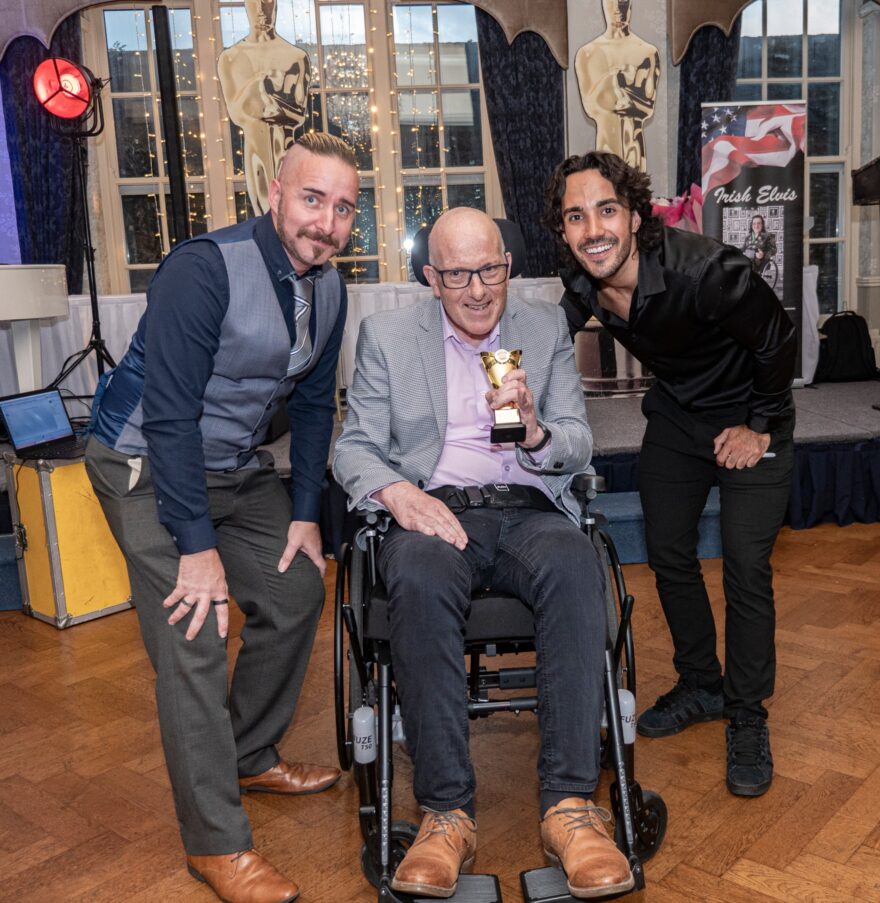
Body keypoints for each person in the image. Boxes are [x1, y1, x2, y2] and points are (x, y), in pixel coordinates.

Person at [85, 131, 358, 903]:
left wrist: (306, 514)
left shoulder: (331, 288)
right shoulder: (202, 270)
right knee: (195, 627)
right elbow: (169, 416)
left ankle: (247, 751)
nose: (326, 222)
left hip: (233, 469)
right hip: (142, 463)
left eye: (343, 208)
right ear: (275, 191)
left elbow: (311, 406)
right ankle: (216, 841)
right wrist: (196, 548)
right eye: (313, 199)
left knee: (299, 587)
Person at [333, 207, 633, 899]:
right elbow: (353, 447)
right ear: (431, 277)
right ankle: (445, 815)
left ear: (508, 265)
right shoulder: (386, 335)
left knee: (573, 562)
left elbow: (578, 441)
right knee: (414, 571)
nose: (477, 289)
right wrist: (398, 493)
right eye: (459, 273)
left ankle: (569, 807)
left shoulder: (543, 324)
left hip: (528, 510)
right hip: (436, 512)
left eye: (490, 269)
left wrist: (534, 432)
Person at [542, 151, 796, 798]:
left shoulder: (706, 270)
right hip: (679, 419)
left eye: (605, 210)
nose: (592, 228)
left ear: (633, 215)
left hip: (751, 414)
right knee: (669, 553)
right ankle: (701, 684)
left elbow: (776, 336)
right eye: (576, 216)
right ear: (564, 229)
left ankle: (746, 713)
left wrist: (760, 424)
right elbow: (540, 345)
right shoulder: (581, 284)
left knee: (744, 563)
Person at [218, 0, 311, 215]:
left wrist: (269, 103)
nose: (261, 9)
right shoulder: (230, 58)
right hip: (254, 148)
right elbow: (236, 113)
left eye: (267, 1)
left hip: (286, 147)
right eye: (254, 2)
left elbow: (299, 114)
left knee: (291, 210)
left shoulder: (296, 57)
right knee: (263, 213)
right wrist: (258, 87)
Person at [575, 0, 660, 171]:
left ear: (630, 5)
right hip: (605, 147)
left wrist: (617, 95)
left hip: (634, 147)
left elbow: (648, 108)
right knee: (606, 190)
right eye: (612, 2)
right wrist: (614, 79)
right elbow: (591, 107)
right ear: (603, 4)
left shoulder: (647, 52)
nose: (618, 9)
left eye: (623, 2)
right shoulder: (587, 53)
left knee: (636, 192)